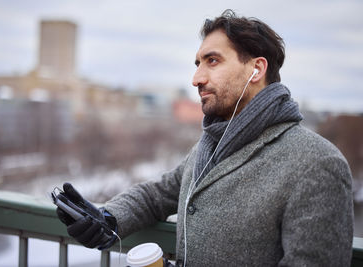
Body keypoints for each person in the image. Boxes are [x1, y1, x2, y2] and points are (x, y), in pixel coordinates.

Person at [56, 10, 353, 266]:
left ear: (256, 69)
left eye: (212, 61)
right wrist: (108, 218)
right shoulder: (212, 143)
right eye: (197, 63)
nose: (196, 78)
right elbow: (159, 194)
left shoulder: (317, 163)